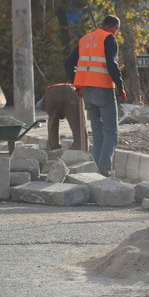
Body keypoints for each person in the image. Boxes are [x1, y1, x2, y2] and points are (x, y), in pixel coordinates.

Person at [65, 15, 126, 177]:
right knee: (112, 132)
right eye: (117, 29)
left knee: (97, 132)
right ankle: (104, 170)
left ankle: (96, 170)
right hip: (103, 90)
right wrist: (121, 87)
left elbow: (68, 63)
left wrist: (77, 83)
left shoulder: (85, 39)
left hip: (86, 92)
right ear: (114, 27)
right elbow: (112, 64)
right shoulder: (109, 38)